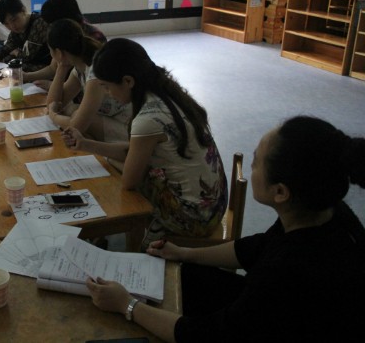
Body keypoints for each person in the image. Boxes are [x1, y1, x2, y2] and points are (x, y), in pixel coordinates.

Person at [85, 116, 365, 343]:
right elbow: (256, 247)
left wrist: (127, 306)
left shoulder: (291, 270)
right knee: (180, 274)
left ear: (281, 192)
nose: (251, 165)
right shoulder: (323, 210)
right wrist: (183, 253)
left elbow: (212, 335)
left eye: (256, 161)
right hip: (281, 315)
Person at [62, 39, 227, 245]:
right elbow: (134, 150)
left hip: (196, 218)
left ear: (128, 81)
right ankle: (99, 235)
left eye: (107, 87)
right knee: (116, 166)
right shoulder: (166, 93)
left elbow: (129, 181)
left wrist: (105, 159)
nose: (106, 93)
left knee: (112, 179)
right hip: (214, 205)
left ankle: (100, 233)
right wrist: (86, 144)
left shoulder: (148, 118)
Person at [46, 19, 130, 142]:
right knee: (71, 110)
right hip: (114, 119)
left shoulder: (95, 70)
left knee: (75, 118)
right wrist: (61, 69)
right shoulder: (81, 64)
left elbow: (76, 127)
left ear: (59, 53)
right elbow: (54, 103)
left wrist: (53, 116)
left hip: (131, 128)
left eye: (50, 50)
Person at [29, 0, 106, 89]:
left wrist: (53, 86)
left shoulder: (92, 38)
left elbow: (90, 86)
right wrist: (25, 76)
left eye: (52, 24)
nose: (52, 28)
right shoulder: (65, 36)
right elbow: (53, 68)